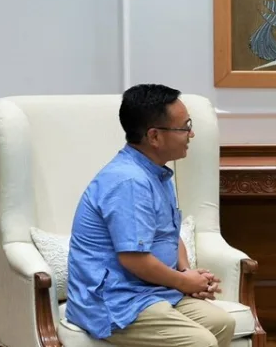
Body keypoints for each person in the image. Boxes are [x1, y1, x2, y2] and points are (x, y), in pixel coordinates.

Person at [65, 84, 236, 347]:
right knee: (200, 342)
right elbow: (134, 259)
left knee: (222, 323)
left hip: (150, 290)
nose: (191, 134)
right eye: (184, 127)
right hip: (115, 300)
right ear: (154, 136)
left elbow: (168, 233)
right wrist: (184, 282)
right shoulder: (129, 181)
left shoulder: (156, 172)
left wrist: (189, 273)